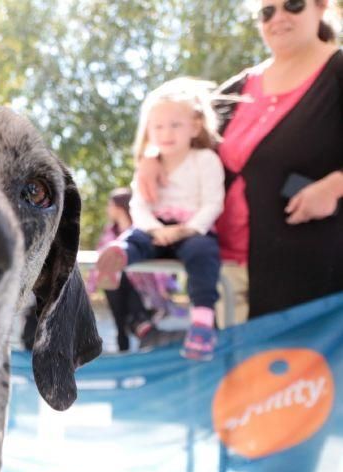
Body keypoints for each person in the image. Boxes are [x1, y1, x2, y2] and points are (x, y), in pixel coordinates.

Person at [136, 0, 343, 321]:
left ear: (321, 6)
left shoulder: (336, 72)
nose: (279, 18)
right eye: (267, 11)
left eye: (293, 5)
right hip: (224, 273)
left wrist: (334, 186)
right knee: (233, 370)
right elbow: (182, 129)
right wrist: (152, 157)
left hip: (312, 278)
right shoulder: (238, 87)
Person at [96, 78, 225, 361]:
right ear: (148, 131)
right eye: (158, 126)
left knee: (204, 256)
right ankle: (115, 259)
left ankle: (202, 321)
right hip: (155, 228)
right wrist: (155, 229)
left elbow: (213, 202)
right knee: (134, 240)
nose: (166, 133)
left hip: (192, 230)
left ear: (195, 127)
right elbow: (138, 204)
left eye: (175, 125)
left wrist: (188, 229)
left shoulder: (205, 160)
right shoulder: (147, 165)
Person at [87, 188, 184, 352]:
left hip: (145, 291)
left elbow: (158, 258)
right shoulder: (109, 234)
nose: (107, 210)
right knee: (116, 279)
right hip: (119, 290)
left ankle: (141, 329)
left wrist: (165, 285)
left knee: (122, 281)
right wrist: (89, 289)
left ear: (119, 207)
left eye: (110, 206)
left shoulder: (141, 232)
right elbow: (101, 261)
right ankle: (142, 331)